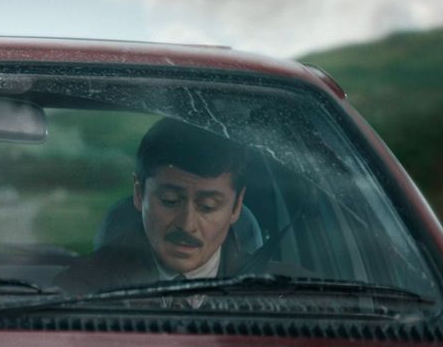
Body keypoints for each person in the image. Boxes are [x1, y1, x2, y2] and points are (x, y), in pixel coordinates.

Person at [55, 117, 302, 294]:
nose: (187, 225)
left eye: (208, 206)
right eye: (170, 201)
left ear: (237, 206)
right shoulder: (79, 291)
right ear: (139, 193)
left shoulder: (293, 295)